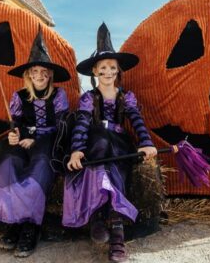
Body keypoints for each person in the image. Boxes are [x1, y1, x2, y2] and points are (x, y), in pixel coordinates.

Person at [0, 28, 72, 258]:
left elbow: (61, 127)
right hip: (22, 143)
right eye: (35, 71)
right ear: (28, 74)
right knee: (6, 166)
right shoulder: (18, 96)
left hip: (48, 142)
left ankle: (30, 227)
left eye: (44, 71)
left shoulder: (59, 96)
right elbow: (16, 124)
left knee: (39, 169)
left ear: (50, 74)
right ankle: (14, 222)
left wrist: (34, 137)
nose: (39, 75)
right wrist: (14, 135)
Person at [63, 23, 157, 263]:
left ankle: (116, 232)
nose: (108, 72)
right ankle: (98, 216)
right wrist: (76, 151)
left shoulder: (126, 96)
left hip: (118, 143)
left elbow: (136, 120)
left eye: (112, 67)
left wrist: (146, 142)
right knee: (100, 146)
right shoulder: (89, 98)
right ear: (95, 71)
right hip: (95, 144)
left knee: (113, 159)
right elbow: (82, 124)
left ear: (118, 71)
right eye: (103, 67)